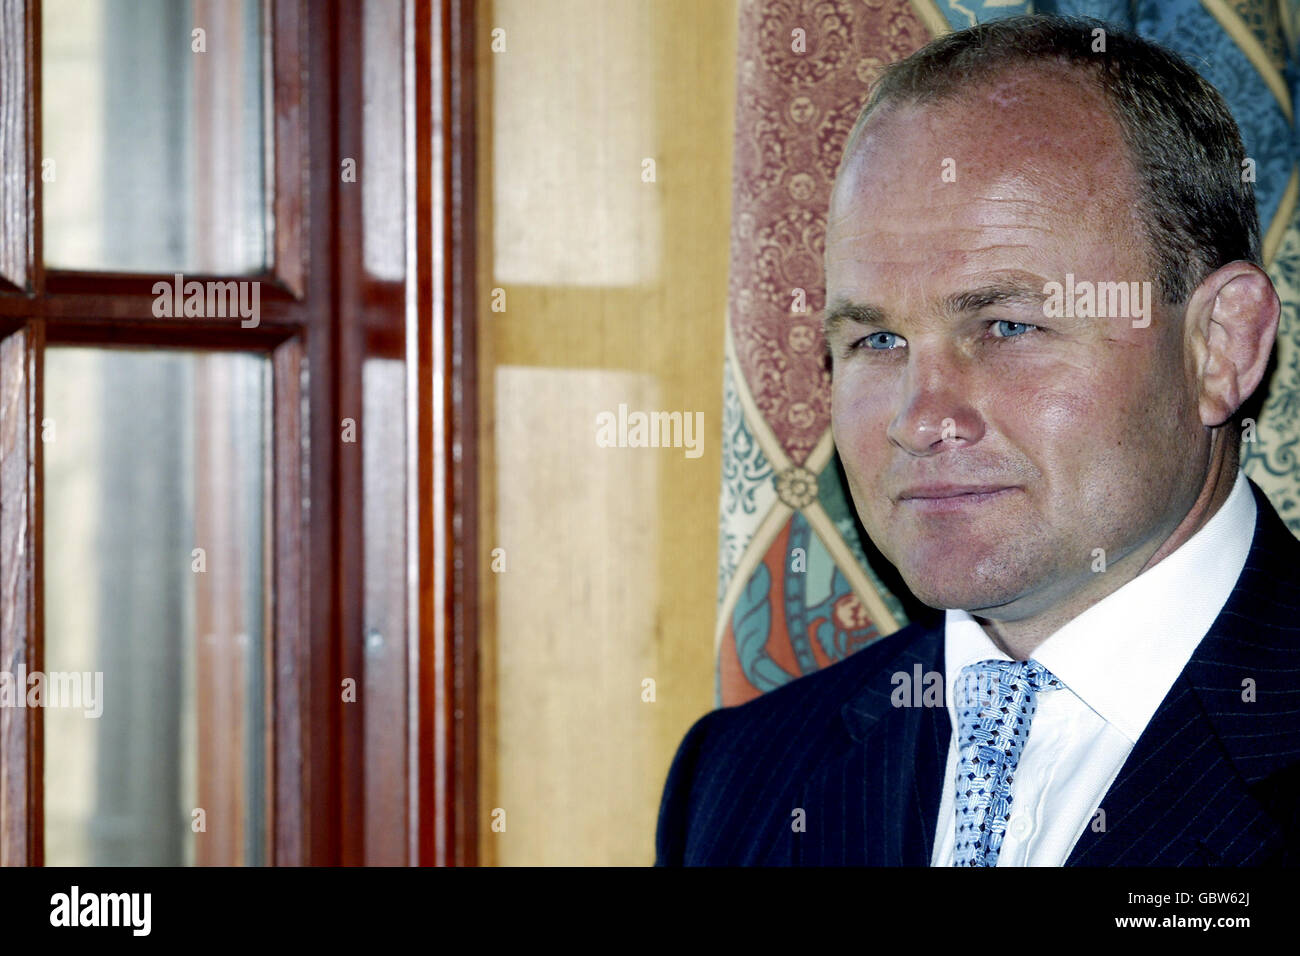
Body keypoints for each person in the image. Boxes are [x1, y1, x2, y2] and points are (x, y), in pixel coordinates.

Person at [655, 14, 1300, 866]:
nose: (921, 420)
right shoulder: (742, 778)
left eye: (1006, 326)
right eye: (876, 341)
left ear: (1220, 344)